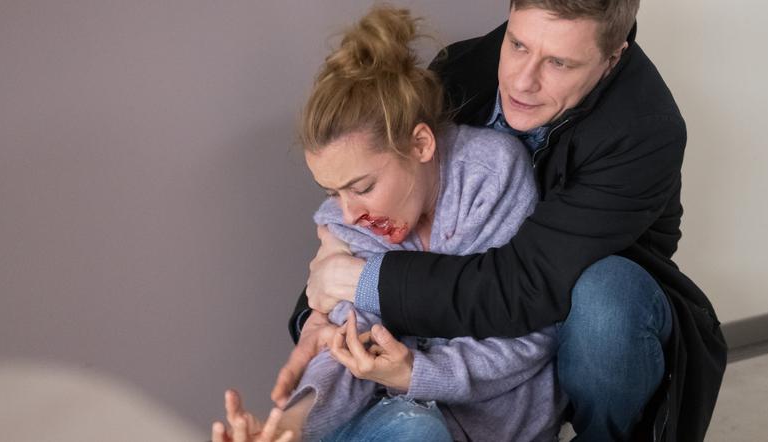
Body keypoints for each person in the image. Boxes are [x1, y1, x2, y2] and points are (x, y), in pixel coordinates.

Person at [281, 1, 728, 441]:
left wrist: (359, 280)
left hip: (578, 305)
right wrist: (319, 309)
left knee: (603, 302)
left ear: (612, 58)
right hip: (463, 341)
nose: (522, 80)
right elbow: (374, 180)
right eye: (517, 44)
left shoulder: (645, 130)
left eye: (559, 63)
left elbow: (527, 287)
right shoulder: (461, 69)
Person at [214, 6, 564, 442]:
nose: (348, 214)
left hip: (501, 428)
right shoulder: (345, 224)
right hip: (393, 420)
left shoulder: (492, 177)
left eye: (362, 187)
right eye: (332, 192)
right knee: (416, 429)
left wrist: (418, 372)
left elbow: (527, 332)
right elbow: (345, 343)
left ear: (420, 144)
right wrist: (288, 426)